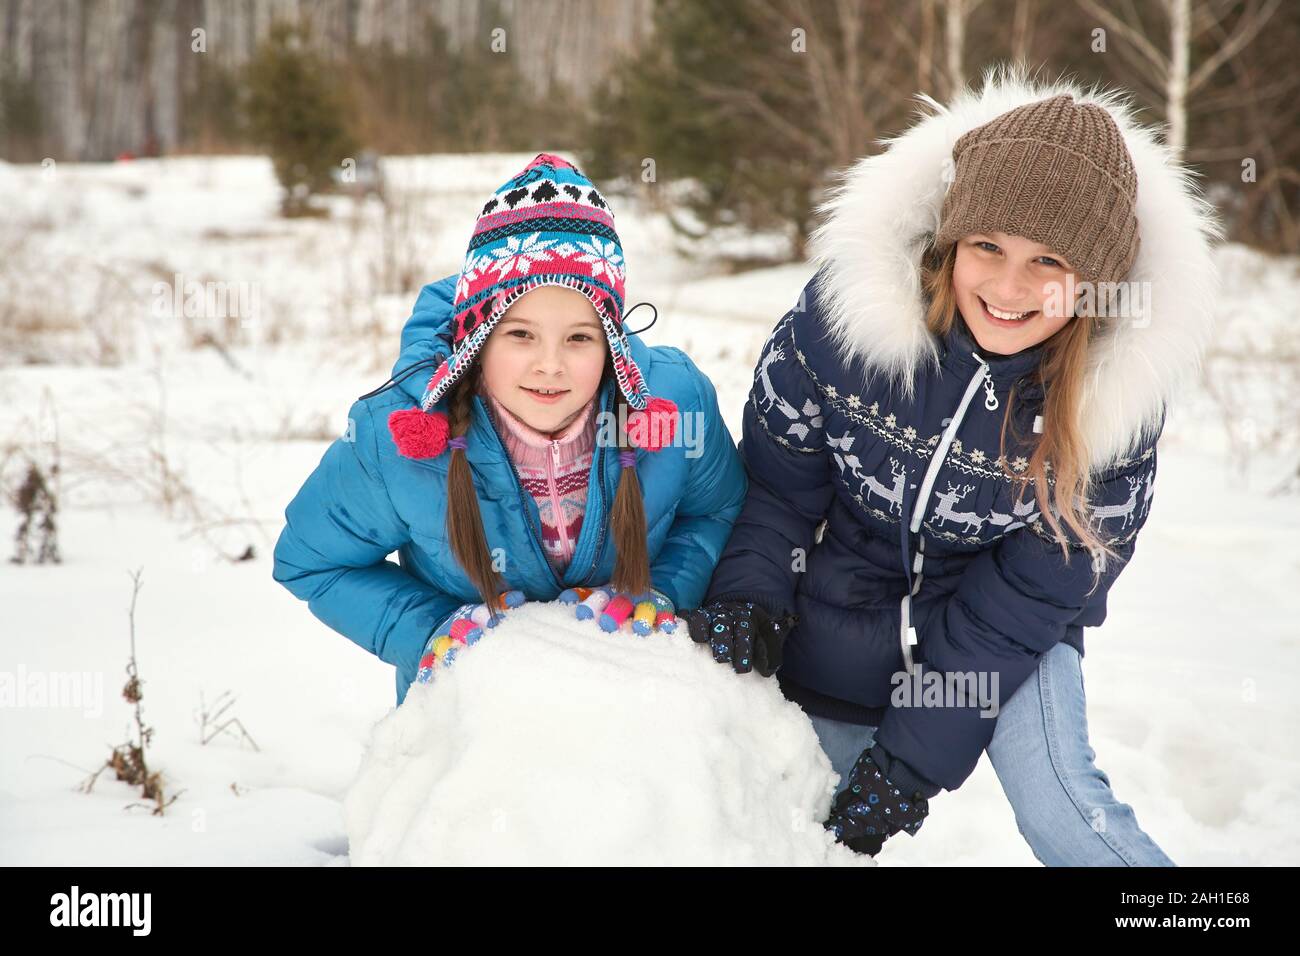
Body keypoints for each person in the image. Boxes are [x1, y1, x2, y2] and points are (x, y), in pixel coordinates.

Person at [684, 72, 1218, 865]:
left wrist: (909, 762)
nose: (1008, 287)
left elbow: (1024, 603)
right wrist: (751, 595)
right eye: (988, 247)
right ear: (949, 242)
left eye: (1050, 262)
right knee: (786, 819)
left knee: (1059, 803)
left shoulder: (1111, 414)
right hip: (839, 601)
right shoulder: (846, 326)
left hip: (1001, 634)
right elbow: (778, 490)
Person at [274, 153, 746, 704]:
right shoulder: (397, 437)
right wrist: (426, 631)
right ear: (478, 339)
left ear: (612, 342)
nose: (550, 365)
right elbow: (311, 561)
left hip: (630, 716)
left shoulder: (675, 401)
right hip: (476, 730)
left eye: (579, 338)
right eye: (520, 335)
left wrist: (661, 588)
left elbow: (718, 510)